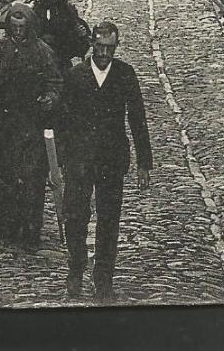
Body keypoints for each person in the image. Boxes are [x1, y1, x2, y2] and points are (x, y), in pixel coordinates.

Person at [60, 20, 153, 303]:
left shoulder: (125, 74)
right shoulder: (76, 75)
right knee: (76, 216)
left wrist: (144, 162)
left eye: (109, 48)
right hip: (80, 159)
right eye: (99, 47)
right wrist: (61, 159)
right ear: (91, 44)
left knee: (109, 220)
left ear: (116, 47)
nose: (103, 53)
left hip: (111, 159)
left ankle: (103, 279)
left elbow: (137, 117)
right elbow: (63, 119)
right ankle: (76, 269)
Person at [0, 3, 61, 251]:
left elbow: (55, 81)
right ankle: (0, 225)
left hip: (30, 121)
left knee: (30, 175)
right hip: (3, 121)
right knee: (0, 173)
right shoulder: (0, 47)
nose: (18, 31)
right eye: (14, 26)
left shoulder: (42, 51)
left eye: (22, 27)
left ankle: (29, 229)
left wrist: (51, 97)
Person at [29, 0, 91, 74]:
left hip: (61, 63)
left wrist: (81, 35)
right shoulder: (33, 8)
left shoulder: (68, 11)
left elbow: (80, 48)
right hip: (36, 64)